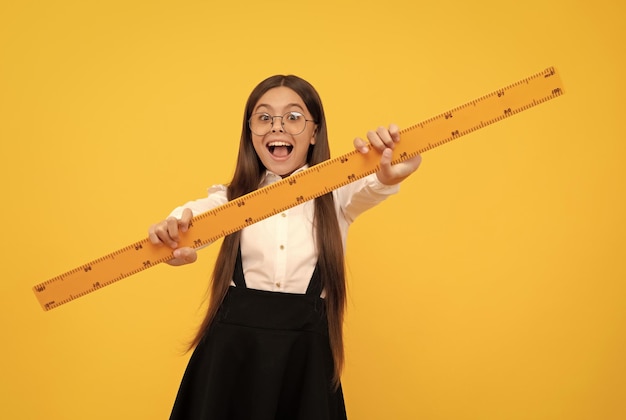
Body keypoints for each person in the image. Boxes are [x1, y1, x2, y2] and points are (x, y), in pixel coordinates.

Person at [149, 75, 422, 420]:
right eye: (264, 118)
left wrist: (392, 171)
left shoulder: (339, 195)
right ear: (250, 133)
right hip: (230, 362)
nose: (277, 127)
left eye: (293, 117)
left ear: (314, 133)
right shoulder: (231, 199)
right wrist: (169, 234)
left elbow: (378, 182)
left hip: (304, 363)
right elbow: (189, 220)